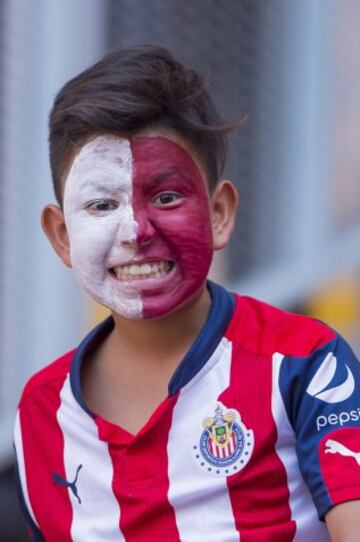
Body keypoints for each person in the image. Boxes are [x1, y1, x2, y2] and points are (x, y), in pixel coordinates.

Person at [14, 45, 360, 542]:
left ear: (218, 213)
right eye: (102, 202)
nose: (136, 229)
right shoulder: (41, 412)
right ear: (62, 235)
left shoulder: (306, 364)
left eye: (166, 196)